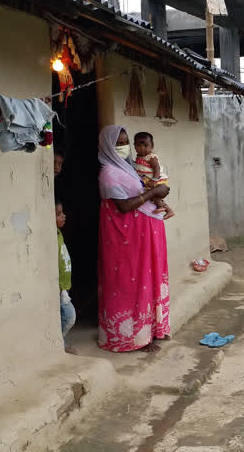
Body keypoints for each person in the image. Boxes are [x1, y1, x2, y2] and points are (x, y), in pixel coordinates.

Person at [97, 125, 173, 353]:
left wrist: (159, 191)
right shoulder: (108, 172)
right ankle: (130, 338)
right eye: (117, 143)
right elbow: (123, 206)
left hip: (144, 234)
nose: (123, 147)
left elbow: (149, 182)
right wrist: (154, 193)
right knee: (128, 283)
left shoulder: (129, 166)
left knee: (147, 281)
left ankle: (151, 330)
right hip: (124, 238)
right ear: (107, 146)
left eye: (124, 142)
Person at [56, 199, 77, 355]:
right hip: (58, 288)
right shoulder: (52, 236)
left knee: (65, 316)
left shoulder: (58, 233)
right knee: (69, 316)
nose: (63, 216)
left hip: (63, 288)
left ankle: (60, 343)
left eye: (62, 212)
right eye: (58, 214)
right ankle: (58, 344)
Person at [133, 132, 170, 212]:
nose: (142, 148)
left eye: (146, 146)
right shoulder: (139, 157)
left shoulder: (150, 157)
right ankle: (166, 208)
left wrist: (154, 180)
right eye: (139, 146)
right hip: (148, 180)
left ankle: (162, 208)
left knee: (152, 195)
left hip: (156, 180)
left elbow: (157, 168)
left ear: (152, 146)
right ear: (134, 146)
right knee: (152, 196)